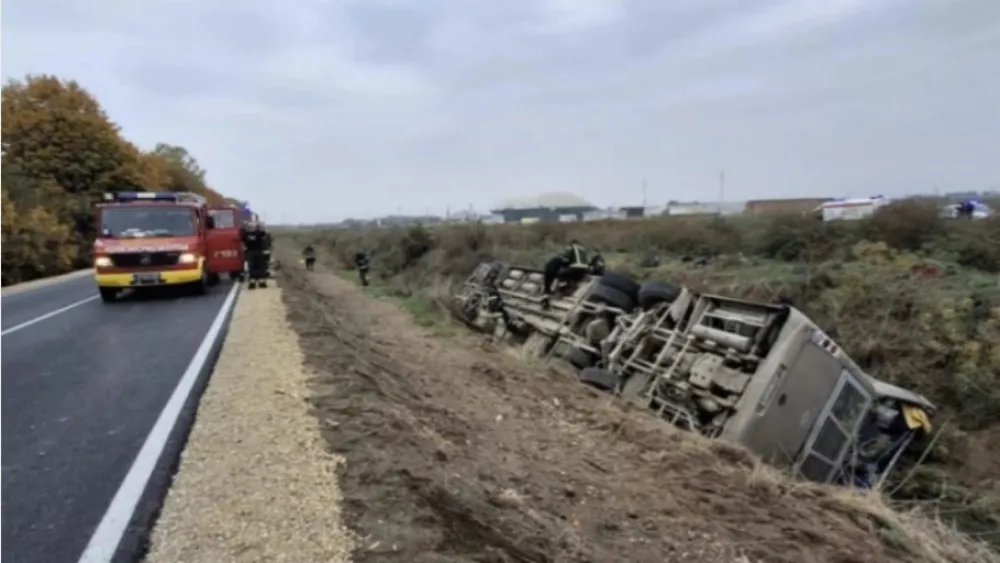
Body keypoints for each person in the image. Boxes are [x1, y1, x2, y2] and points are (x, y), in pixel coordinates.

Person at [241, 221, 270, 287]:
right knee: (260, 266)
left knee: (252, 267)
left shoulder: (246, 234)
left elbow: (242, 242)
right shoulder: (259, 233)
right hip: (258, 251)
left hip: (250, 252)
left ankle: (253, 282)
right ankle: (261, 282)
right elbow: (267, 234)